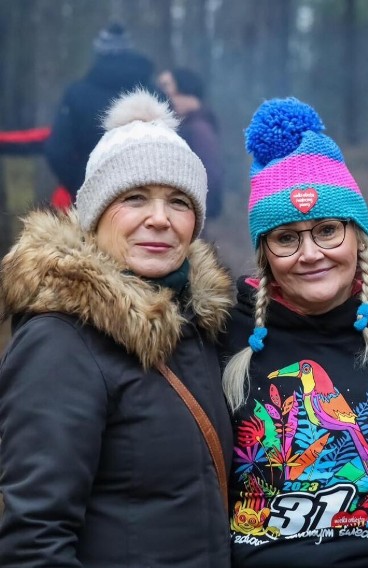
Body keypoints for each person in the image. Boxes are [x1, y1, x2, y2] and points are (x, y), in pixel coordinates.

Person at [0, 89, 233, 566]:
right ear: (96, 213)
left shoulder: (196, 324)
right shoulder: (59, 343)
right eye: (134, 198)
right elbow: (35, 540)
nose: (160, 219)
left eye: (179, 202)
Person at [220, 97, 368, 567]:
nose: (310, 253)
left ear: (358, 236)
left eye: (327, 230)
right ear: (265, 255)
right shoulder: (224, 333)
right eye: (286, 238)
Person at [44, 22, 158, 199]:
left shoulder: (77, 94)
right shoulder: (155, 94)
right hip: (147, 197)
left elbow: (57, 150)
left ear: (98, 53)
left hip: (94, 195)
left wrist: (82, 186)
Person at [157, 67, 225, 220]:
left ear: (183, 92)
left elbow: (211, 180)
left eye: (165, 86)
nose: (159, 91)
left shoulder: (197, 129)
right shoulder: (183, 126)